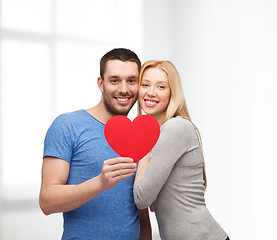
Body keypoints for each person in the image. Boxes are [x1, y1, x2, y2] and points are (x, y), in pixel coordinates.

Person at [39, 48, 151, 240]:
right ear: (101, 83)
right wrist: (99, 183)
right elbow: (47, 201)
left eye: (131, 80)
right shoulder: (68, 125)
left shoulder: (141, 137)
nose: (124, 89)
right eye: (115, 80)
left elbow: (141, 212)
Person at [133, 60, 229, 240]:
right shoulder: (163, 133)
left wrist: (143, 147)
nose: (151, 92)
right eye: (145, 85)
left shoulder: (175, 128)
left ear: (172, 92)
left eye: (161, 86)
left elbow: (142, 198)